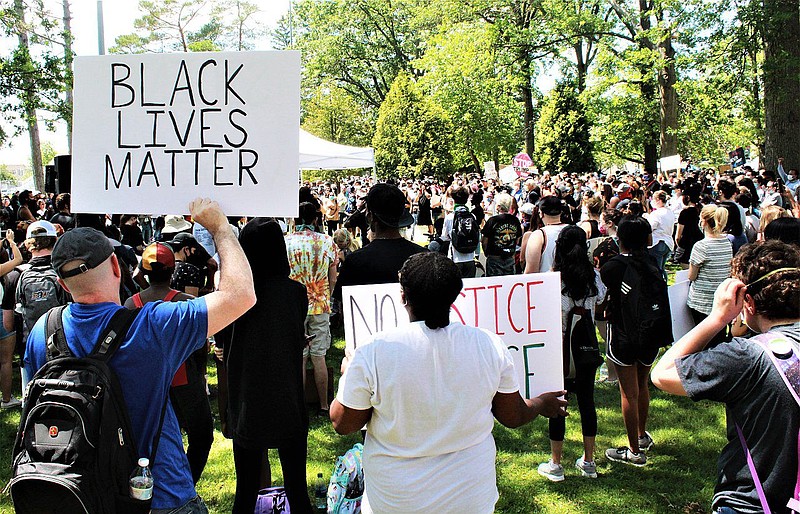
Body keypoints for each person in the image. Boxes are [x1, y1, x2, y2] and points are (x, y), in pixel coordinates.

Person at [24, 198, 256, 513]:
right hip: (160, 496)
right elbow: (240, 295)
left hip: (81, 493)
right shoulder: (152, 325)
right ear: (117, 267)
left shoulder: (43, 331)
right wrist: (219, 227)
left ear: (62, 284)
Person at [331, 252, 568, 513]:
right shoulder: (487, 344)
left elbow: (343, 423)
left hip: (397, 500)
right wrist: (540, 404)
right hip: (470, 497)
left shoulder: (373, 352)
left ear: (403, 296)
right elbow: (512, 415)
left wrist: (348, 374)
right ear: (454, 297)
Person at [651, 241, 800, 514]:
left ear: (749, 302)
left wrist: (717, 318)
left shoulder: (746, 358)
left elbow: (662, 375)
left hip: (753, 501)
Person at [226, 219, 313, 514]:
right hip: (287, 396)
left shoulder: (237, 296)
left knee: (246, 488)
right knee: (297, 489)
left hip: (249, 397)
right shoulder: (296, 293)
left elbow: (224, 345)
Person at [123, 242, 214, 486]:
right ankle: (187, 480)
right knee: (202, 435)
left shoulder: (131, 305)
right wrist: (202, 373)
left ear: (144, 272)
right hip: (183, 379)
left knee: (154, 437)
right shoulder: (184, 302)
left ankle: (156, 480)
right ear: (173, 271)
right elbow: (200, 346)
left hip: (148, 383)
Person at [537, 226, 606, 482]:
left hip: (559, 348)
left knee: (557, 404)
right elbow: (600, 299)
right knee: (588, 402)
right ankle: (589, 461)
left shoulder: (552, 278)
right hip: (586, 346)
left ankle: (556, 463)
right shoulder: (594, 278)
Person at [600, 216, 658, 466]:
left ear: (620, 239)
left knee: (629, 392)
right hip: (650, 332)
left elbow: (603, 292)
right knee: (642, 384)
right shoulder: (654, 261)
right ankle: (641, 435)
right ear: (648, 239)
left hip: (623, 332)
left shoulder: (612, 266)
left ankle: (634, 450)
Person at [285, 202, 338, 414]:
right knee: (319, 357)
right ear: (315, 219)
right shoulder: (327, 241)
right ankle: (324, 404)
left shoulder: (286, 242)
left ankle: (298, 404)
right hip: (320, 303)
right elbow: (332, 277)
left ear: (295, 220)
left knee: (299, 355)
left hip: (294, 305)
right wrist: (327, 296)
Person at [687, 205, 733, 347]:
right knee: (717, 339)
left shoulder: (701, 246)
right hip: (720, 299)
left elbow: (691, 276)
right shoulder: (727, 242)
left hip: (702, 301)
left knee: (702, 342)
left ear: (704, 221)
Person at [0, 230, 22, 408]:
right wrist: (12, 242)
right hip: (1, 315)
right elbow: (18, 260)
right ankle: (6, 399)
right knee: (6, 360)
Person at [441, 186, 479, 278]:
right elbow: (477, 235)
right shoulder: (472, 216)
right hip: (470, 258)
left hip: (455, 258)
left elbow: (445, 237)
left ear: (454, 200)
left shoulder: (450, 217)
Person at [481, 193, 521, 276]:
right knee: (508, 283)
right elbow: (517, 239)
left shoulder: (492, 220)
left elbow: (484, 240)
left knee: (494, 283)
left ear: (498, 206)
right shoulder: (515, 220)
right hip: (509, 257)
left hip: (494, 257)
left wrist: (486, 253)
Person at [524, 196, 567, 273]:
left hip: (548, 283)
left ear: (541, 213)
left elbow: (531, 271)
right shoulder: (576, 229)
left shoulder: (538, 235)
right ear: (561, 212)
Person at [645, 190, 675, 279]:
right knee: (661, 268)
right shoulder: (670, 212)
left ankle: (658, 287)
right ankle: (663, 286)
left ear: (658, 200)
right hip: (668, 243)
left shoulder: (657, 213)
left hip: (657, 242)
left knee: (655, 269)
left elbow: (650, 227)